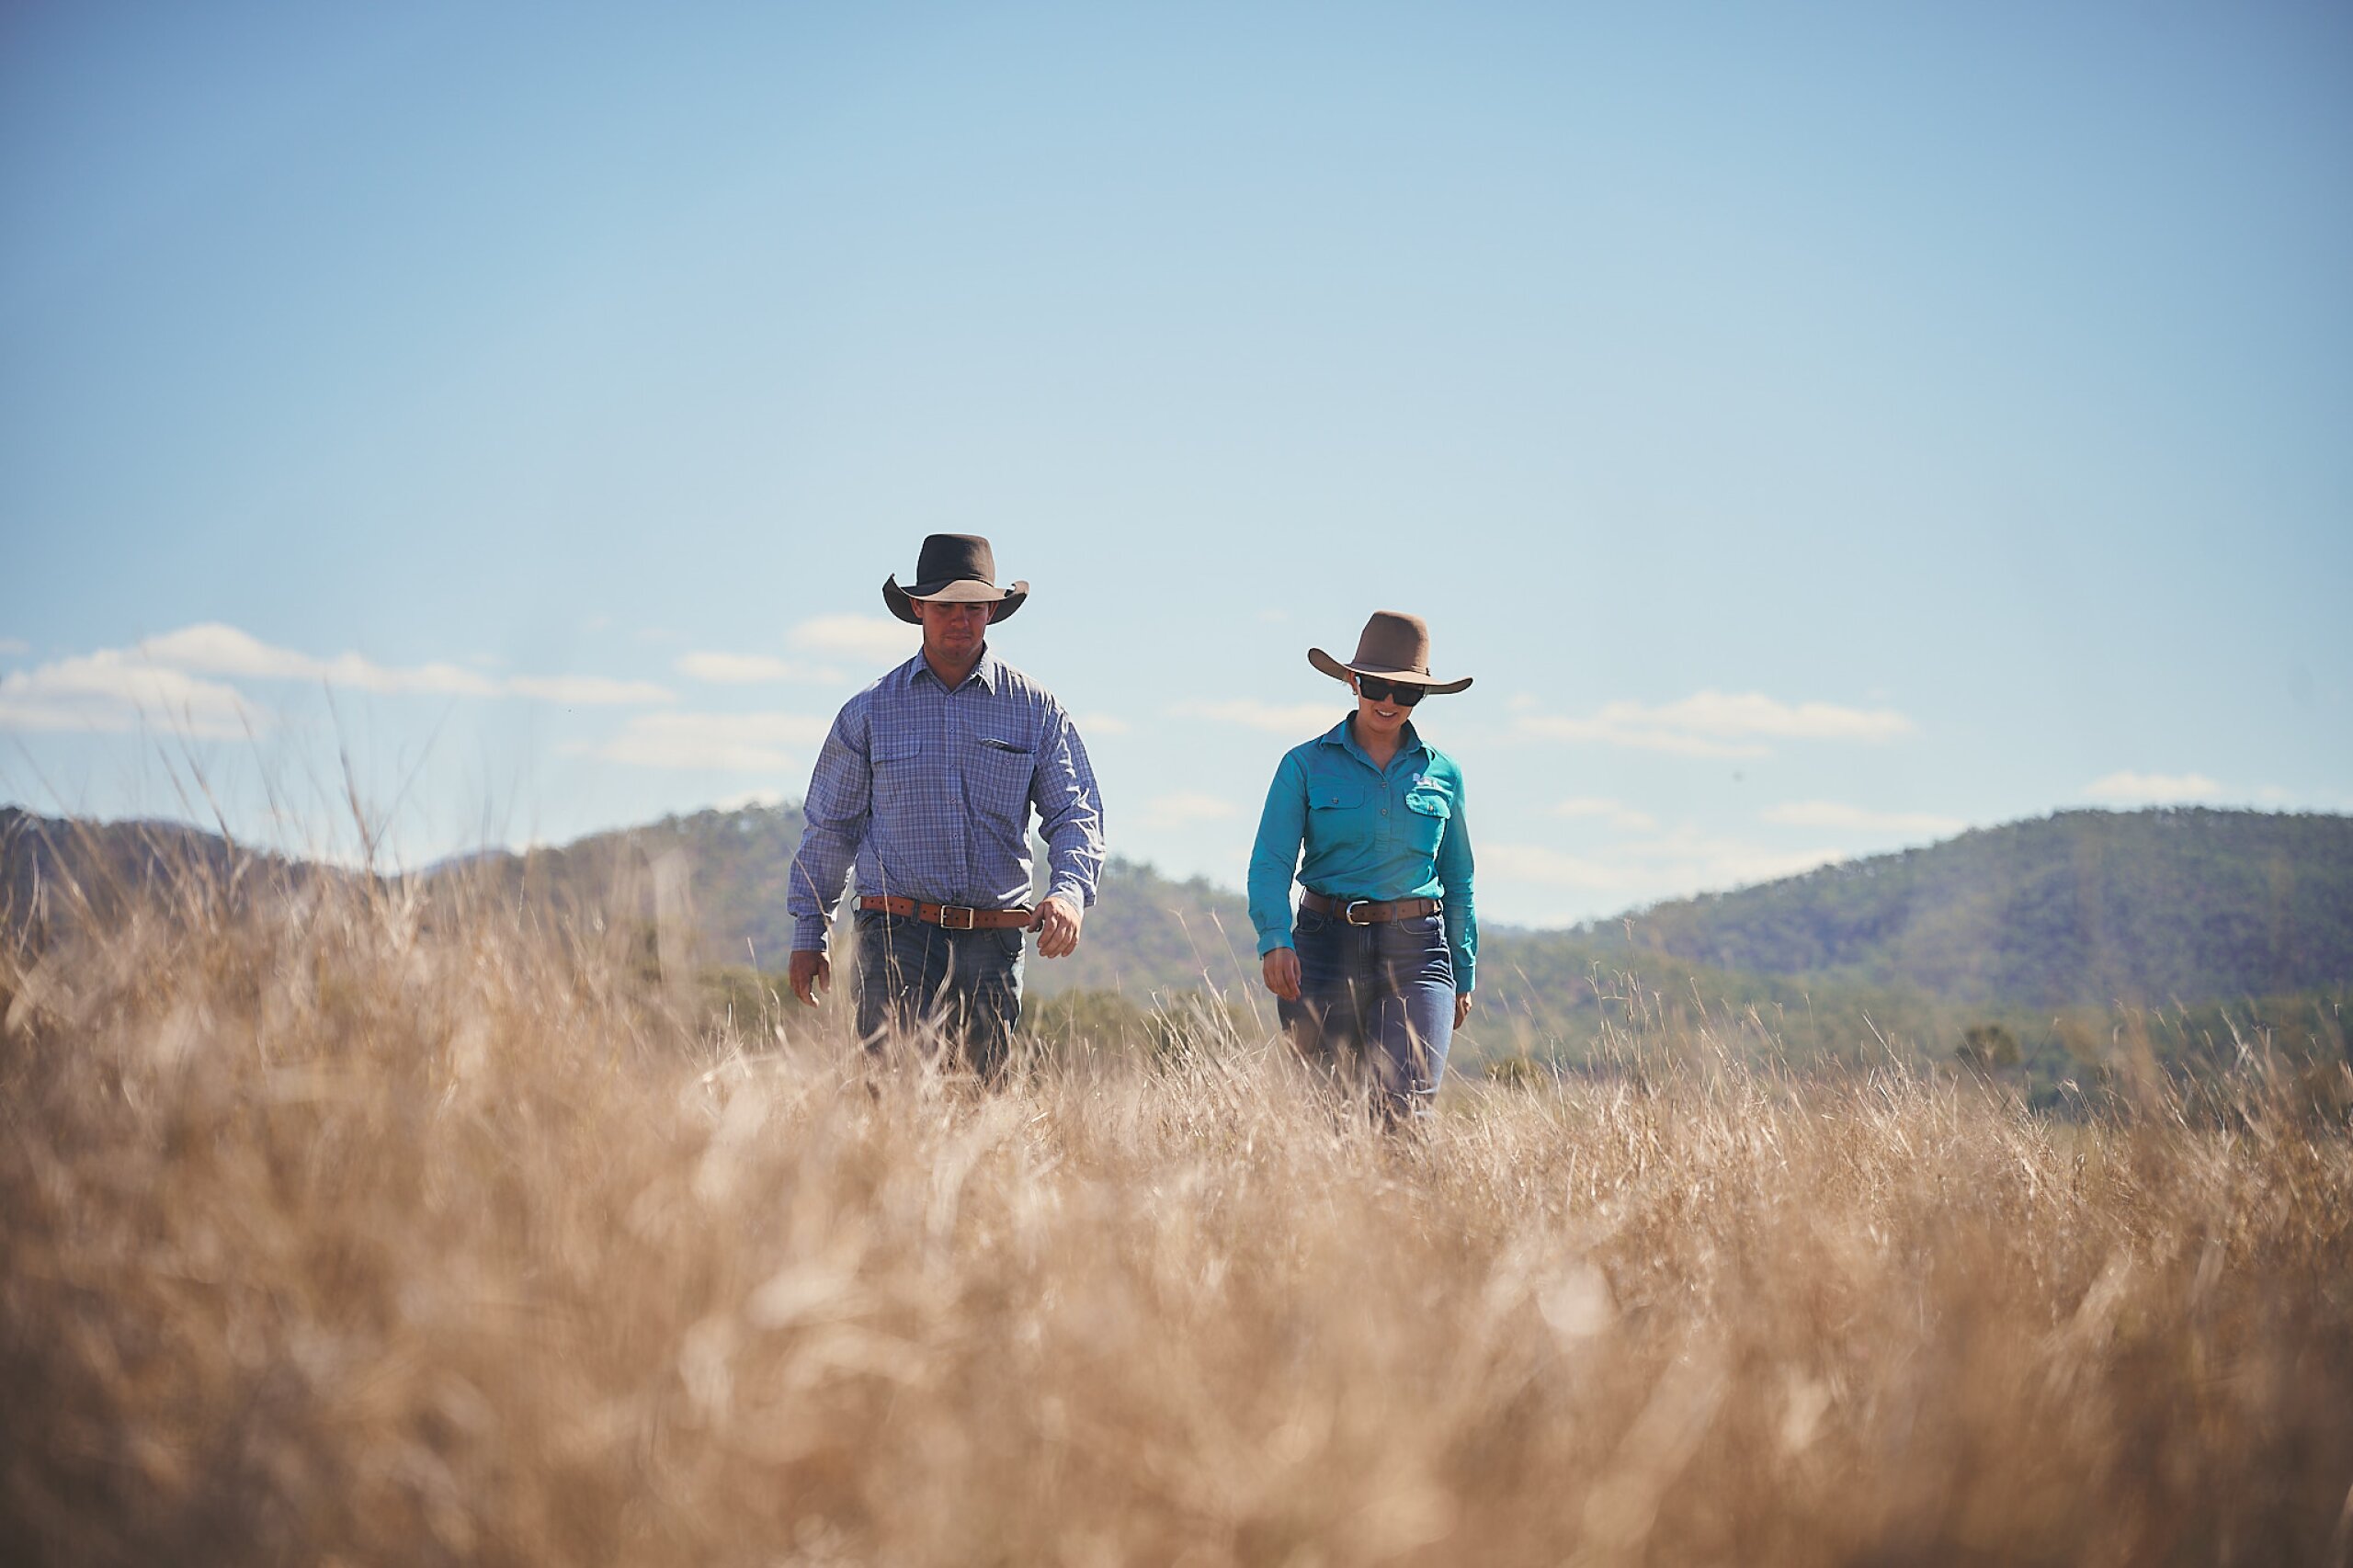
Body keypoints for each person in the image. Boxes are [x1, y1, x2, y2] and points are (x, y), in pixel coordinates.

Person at [786, 534, 1104, 1078]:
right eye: (945, 607)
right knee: (889, 1095)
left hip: (993, 938)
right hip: (895, 933)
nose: (960, 619)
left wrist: (1069, 894)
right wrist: (809, 931)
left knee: (981, 1105)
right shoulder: (868, 712)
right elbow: (831, 829)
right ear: (918, 610)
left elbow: (1076, 815)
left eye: (973, 607)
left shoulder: (1035, 708)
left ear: (992, 612)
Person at [1247, 610, 1476, 1122]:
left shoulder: (1445, 773)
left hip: (1419, 952)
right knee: (1328, 1117)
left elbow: (1459, 881)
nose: (1389, 702)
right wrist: (1275, 940)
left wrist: (1463, 970)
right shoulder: (1303, 765)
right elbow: (1271, 863)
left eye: (1407, 692)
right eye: (1377, 685)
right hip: (1322, 949)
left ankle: (1410, 1205)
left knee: (1404, 1110)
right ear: (1353, 681)